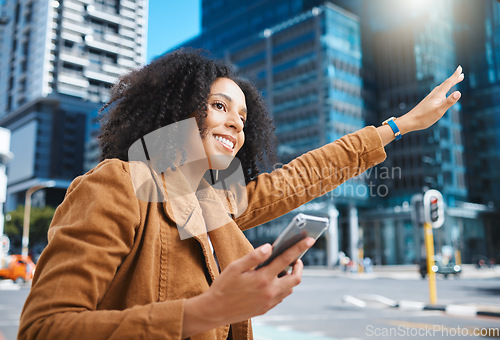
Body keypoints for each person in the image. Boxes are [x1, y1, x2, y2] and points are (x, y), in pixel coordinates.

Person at [18, 49, 464, 340]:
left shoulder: (215, 200)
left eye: (243, 116)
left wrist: (400, 126)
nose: (236, 123)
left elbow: (301, 176)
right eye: (219, 106)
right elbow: (44, 329)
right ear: (176, 110)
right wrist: (204, 311)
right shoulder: (117, 184)